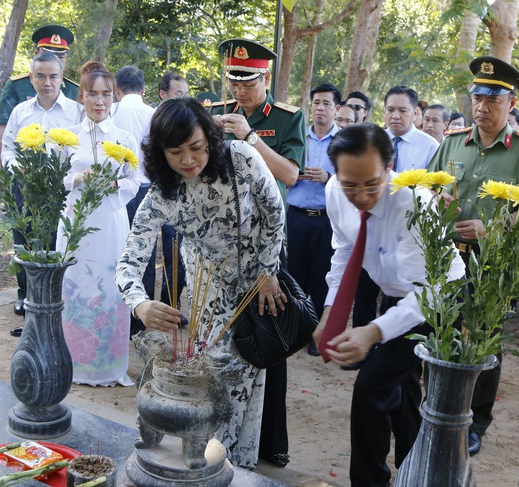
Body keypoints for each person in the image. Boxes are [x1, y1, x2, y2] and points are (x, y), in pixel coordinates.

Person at [116, 97, 286, 468]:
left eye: (196, 147)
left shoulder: (240, 157)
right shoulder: (162, 192)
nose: (188, 160)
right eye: (175, 152)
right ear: (161, 154)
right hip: (208, 287)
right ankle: (211, 460)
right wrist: (140, 304)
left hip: (260, 276)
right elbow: (129, 263)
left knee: (250, 369)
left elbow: (274, 209)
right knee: (217, 367)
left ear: (209, 138)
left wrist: (267, 270)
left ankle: (236, 464)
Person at [312, 123, 464, 487]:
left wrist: (375, 330)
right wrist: (331, 312)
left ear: (390, 167)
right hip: (398, 294)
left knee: (372, 386)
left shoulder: (414, 202)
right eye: (351, 184)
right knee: (404, 386)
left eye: (371, 184)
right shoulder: (335, 190)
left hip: (439, 299)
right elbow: (345, 248)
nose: (361, 195)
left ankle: (370, 480)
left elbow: (429, 292)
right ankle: (414, 468)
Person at [427, 55, 519, 456]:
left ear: (510, 104)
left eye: (492, 100)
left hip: (492, 263)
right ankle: (436, 407)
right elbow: (428, 187)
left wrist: (492, 229)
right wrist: (436, 197)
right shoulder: (451, 142)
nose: (481, 108)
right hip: (446, 257)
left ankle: (476, 422)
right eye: (477, 98)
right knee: (440, 329)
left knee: (484, 339)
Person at [210, 38, 305, 468]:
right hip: (222, 244)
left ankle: (269, 442)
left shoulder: (285, 119)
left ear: (264, 77)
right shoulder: (214, 113)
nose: (240, 90)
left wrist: (250, 137)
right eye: (233, 81)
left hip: (267, 245)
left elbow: (290, 174)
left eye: (248, 82)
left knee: (266, 338)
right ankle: (218, 433)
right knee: (220, 336)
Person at [57, 61, 140, 386]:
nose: (100, 101)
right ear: (82, 96)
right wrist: (77, 178)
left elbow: (135, 180)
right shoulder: (67, 138)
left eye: (106, 94)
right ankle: (73, 363)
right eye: (93, 94)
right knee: (75, 283)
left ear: (114, 97)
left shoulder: (124, 139)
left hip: (110, 221)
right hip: (75, 222)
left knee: (107, 285)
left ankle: (109, 366)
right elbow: (55, 178)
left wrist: (115, 185)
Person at [1, 50, 81, 336]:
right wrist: (16, 169)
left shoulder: (76, 111)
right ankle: (31, 316)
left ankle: (60, 319)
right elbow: (8, 146)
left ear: (61, 79)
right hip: (27, 190)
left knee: (57, 250)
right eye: (41, 76)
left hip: (63, 190)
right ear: (32, 78)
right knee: (28, 248)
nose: (47, 82)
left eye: (53, 76)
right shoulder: (20, 111)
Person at [112, 65, 183, 338]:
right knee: (156, 254)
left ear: (116, 90)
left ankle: (132, 312)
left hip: (121, 190)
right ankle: (157, 314)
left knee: (131, 251)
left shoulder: (111, 112)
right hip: (153, 188)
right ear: (143, 89)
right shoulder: (155, 114)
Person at [287, 83, 340, 356]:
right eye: (316, 103)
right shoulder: (298, 136)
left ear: (337, 109)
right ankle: (294, 331)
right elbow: (282, 168)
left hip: (326, 220)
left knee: (322, 277)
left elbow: (352, 180)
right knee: (294, 274)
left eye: (326, 103)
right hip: (295, 217)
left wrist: (328, 178)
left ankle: (315, 335)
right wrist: (293, 175)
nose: (320, 108)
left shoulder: (344, 141)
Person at [0, 25, 79, 188]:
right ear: (37, 54)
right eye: (50, 55)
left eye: (61, 57)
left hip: (64, 182)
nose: (56, 61)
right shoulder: (17, 86)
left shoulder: (76, 91)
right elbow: (4, 134)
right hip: (24, 180)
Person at [383, 86, 439, 172]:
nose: (395, 116)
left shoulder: (430, 146)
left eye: (402, 111)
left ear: (415, 113)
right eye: (390, 110)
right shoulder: (373, 141)